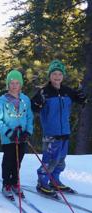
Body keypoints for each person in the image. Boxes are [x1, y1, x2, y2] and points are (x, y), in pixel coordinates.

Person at [31, 60, 87, 196]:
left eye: (59, 74)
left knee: (61, 159)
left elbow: (81, 100)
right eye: (54, 73)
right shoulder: (44, 91)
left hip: (65, 131)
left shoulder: (67, 91)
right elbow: (34, 107)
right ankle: (42, 182)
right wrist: (38, 102)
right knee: (50, 160)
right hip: (51, 132)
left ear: (63, 76)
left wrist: (82, 98)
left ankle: (54, 180)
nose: (57, 76)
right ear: (50, 76)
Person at [0, 70, 34, 200]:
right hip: (8, 138)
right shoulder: (2, 101)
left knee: (18, 161)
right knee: (9, 160)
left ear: (20, 84)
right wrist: (9, 132)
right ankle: (6, 184)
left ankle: (15, 182)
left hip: (21, 137)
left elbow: (29, 117)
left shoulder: (25, 99)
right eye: (12, 83)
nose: (14, 85)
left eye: (17, 83)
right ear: (8, 85)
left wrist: (28, 132)